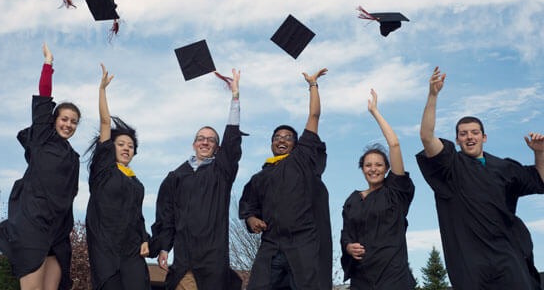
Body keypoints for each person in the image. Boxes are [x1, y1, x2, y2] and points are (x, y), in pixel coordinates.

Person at [417, 66, 544, 290]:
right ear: (457, 140)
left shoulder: (504, 167)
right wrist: (433, 95)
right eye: (463, 134)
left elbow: (540, 180)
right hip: (469, 260)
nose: (469, 137)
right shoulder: (450, 165)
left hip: (507, 254)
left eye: (474, 132)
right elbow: (427, 137)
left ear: (484, 137)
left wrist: (539, 152)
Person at [0, 43, 80, 290]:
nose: (68, 124)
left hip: (58, 231)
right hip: (33, 222)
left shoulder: (74, 157)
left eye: (74, 122)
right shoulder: (43, 137)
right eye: (64, 119)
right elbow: (43, 96)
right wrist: (48, 64)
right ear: (54, 121)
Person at [149, 69, 243, 290]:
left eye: (211, 140)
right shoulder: (176, 177)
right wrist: (164, 247)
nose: (205, 142)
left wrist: (235, 97)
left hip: (213, 260)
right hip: (184, 259)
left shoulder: (221, 173)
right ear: (194, 144)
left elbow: (232, 142)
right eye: (200, 138)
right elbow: (167, 216)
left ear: (217, 148)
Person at [239, 68, 331, 290]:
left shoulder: (301, 160)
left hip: (303, 243)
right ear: (271, 143)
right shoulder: (259, 177)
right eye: (277, 137)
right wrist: (251, 220)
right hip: (271, 246)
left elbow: (314, 116)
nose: (282, 140)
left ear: (296, 144)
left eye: (288, 137)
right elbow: (249, 206)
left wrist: (313, 85)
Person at [340, 89, 415, 289]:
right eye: (368, 165)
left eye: (379, 165)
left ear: (387, 168)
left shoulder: (395, 193)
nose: (373, 169)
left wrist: (374, 112)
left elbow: (395, 144)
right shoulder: (352, 200)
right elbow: (346, 233)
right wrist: (348, 247)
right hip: (362, 277)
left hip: (393, 276)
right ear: (362, 169)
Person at [85, 64, 151, 290]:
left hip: (131, 251)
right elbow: (105, 123)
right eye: (121, 144)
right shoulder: (104, 170)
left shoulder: (137, 183)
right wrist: (102, 90)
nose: (126, 148)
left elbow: (138, 216)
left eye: (130, 146)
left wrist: (144, 239)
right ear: (111, 148)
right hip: (106, 249)